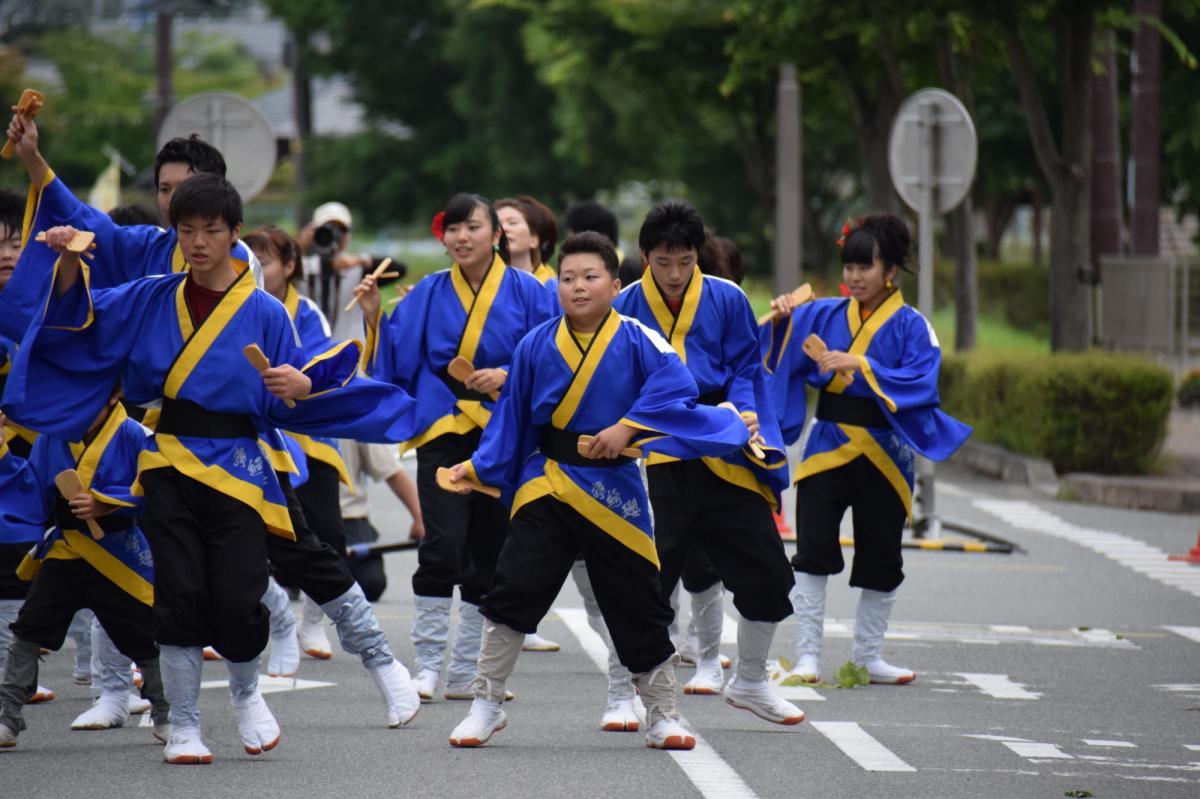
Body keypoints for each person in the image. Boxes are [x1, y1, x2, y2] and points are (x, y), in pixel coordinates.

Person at [2, 113, 421, 733]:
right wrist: (52, 215)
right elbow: (88, 273)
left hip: (247, 452)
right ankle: (181, 717)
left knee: (300, 557)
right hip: (168, 452)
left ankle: (381, 664)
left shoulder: (251, 283)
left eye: (196, 202)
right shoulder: (152, 268)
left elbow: (300, 357)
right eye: (170, 196)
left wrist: (303, 381)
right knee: (177, 585)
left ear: (229, 224)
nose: (187, 220)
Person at [442, 231, 753, 750]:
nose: (578, 288)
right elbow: (512, 419)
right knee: (514, 586)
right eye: (567, 279)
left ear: (615, 283)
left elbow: (677, 383)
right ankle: (487, 703)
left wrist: (626, 429)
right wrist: (478, 467)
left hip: (616, 486)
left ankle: (662, 713)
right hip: (550, 479)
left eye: (590, 278)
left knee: (638, 601)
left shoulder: (637, 337)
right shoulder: (536, 343)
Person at [355, 192, 559, 702]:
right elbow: (395, 365)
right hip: (444, 428)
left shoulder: (531, 292)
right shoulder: (425, 292)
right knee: (442, 544)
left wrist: (510, 373)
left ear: (496, 234)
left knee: (488, 551)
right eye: (453, 229)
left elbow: (553, 357)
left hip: (502, 430)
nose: (461, 237)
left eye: (473, 227)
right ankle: (426, 665)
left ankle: (466, 670)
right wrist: (376, 315)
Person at [613, 200, 804, 726]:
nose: (675, 274)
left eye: (685, 261)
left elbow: (747, 366)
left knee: (768, 573)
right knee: (646, 582)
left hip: (724, 447)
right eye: (663, 262)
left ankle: (751, 679)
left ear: (699, 254)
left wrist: (746, 411)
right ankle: (642, 696)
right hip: (657, 450)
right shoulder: (624, 305)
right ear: (645, 255)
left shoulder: (728, 298)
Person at [764, 214, 972, 685]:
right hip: (828, 444)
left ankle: (868, 656)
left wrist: (862, 363)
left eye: (866, 266)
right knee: (813, 549)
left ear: (891, 271)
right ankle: (808, 657)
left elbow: (923, 381)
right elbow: (779, 354)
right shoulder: (823, 313)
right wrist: (780, 321)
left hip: (885, 451)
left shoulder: (913, 325)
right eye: (849, 266)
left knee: (881, 555)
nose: (855, 277)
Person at [0, 393, 170, 750]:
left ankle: (167, 714)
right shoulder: (55, 435)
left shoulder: (133, 434)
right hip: (66, 550)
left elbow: (158, 489)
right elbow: (32, 486)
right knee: (29, 630)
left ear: (111, 396)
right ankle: (8, 716)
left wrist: (107, 502)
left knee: (146, 637)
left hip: (119, 554)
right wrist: (2, 453)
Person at [245, 226, 357, 659]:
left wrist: (297, 379)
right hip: (255, 433)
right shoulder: (233, 304)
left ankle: (314, 622)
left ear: (290, 266)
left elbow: (322, 362)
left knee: (324, 531)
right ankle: (275, 617)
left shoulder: (306, 310)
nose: (256, 270)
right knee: (248, 534)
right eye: (250, 260)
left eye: (267, 261)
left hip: (307, 432)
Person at [339, 440, 424, 602]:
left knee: (370, 583)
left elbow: (390, 469)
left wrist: (420, 518)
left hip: (348, 515)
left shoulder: (353, 414)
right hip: (299, 514)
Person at [496, 195, 558, 285]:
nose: (504, 228)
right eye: (498, 224)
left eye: (512, 223)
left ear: (534, 239)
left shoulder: (554, 289)